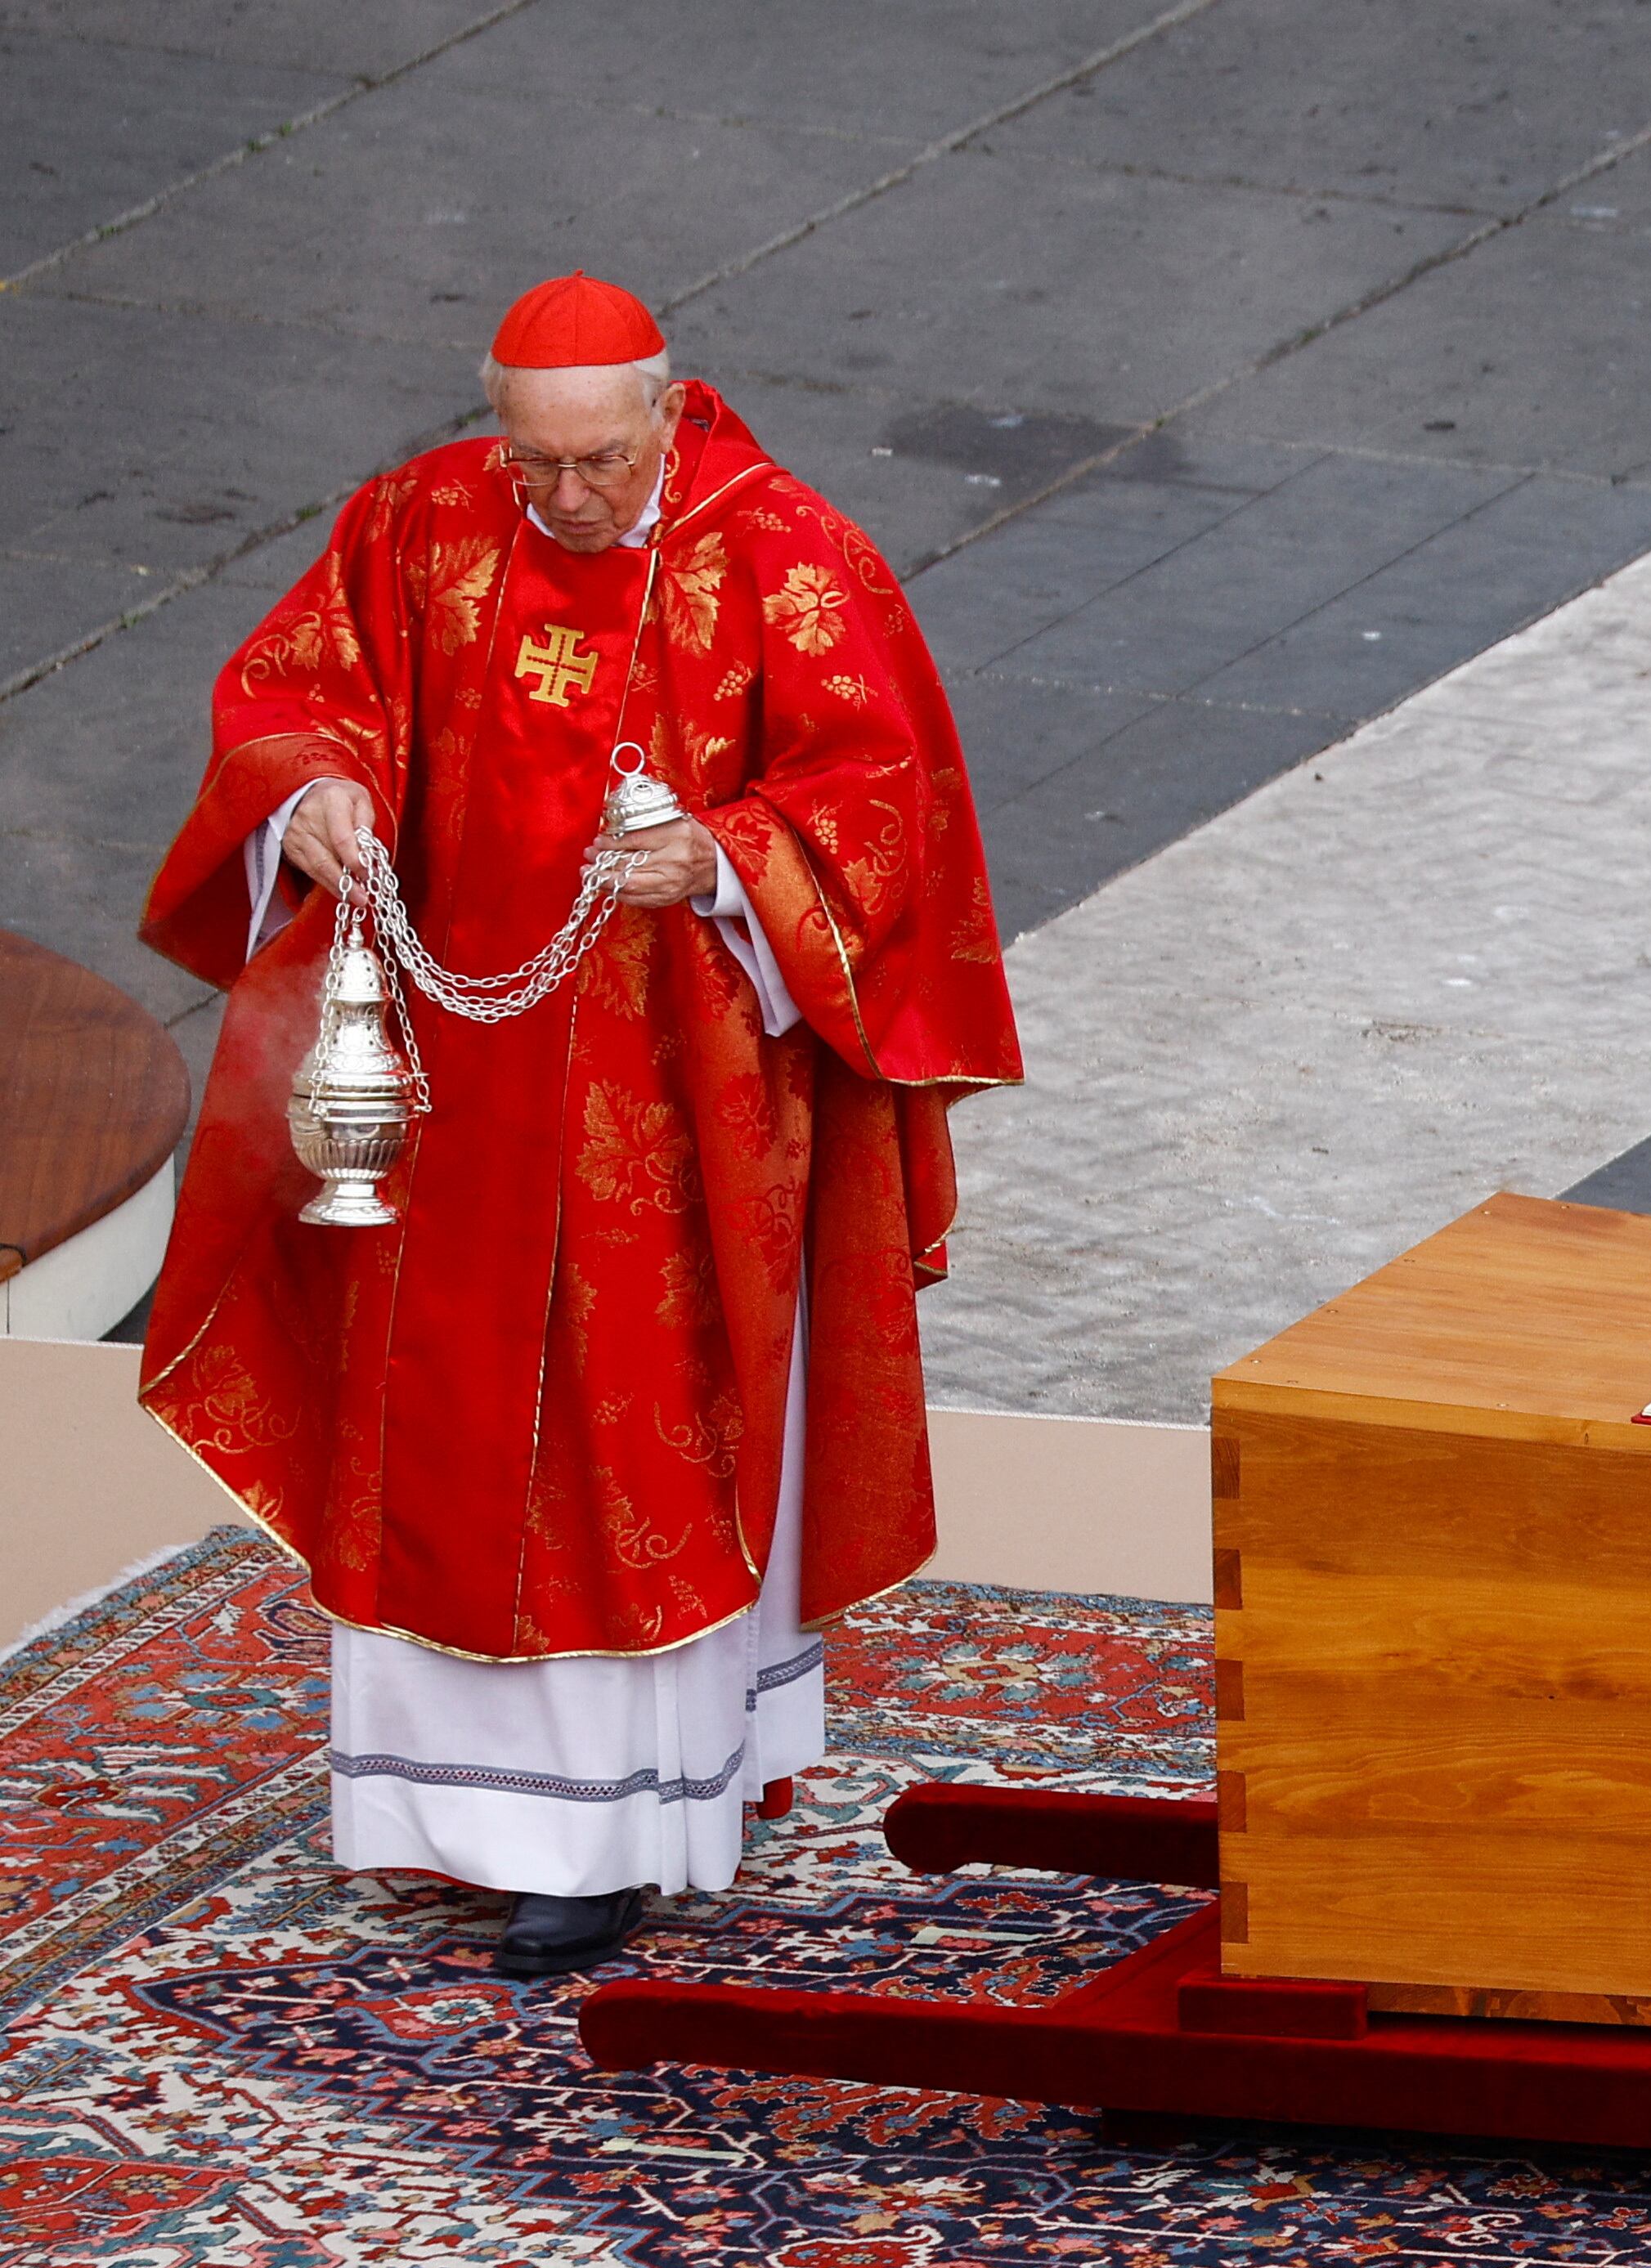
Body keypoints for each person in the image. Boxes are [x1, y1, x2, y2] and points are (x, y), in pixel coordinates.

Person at [136, 272, 1020, 1978]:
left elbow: (882, 801)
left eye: (600, 464)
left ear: (667, 412)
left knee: (634, 1450)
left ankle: (615, 1824)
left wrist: (725, 858)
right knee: (437, 1413)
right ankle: (431, 1808)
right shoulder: (417, 525)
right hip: (447, 1079)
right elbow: (295, 689)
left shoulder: (787, 558)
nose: (567, 500)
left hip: (672, 1106)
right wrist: (306, 789)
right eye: (534, 465)